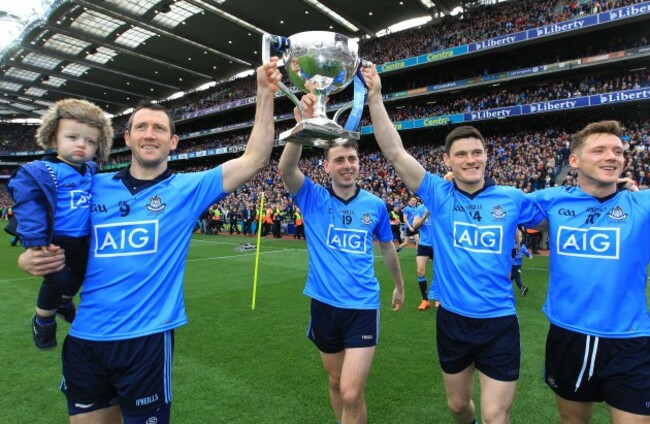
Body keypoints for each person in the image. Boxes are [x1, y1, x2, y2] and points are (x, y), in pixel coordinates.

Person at [16, 58, 282, 424]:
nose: (149, 134)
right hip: (86, 337)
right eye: (141, 126)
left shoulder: (188, 189)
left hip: (146, 341)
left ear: (172, 140)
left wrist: (264, 94)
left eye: (159, 128)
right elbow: (51, 232)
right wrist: (28, 259)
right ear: (127, 138)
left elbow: (254, 159)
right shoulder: (90, 184)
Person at [364, 65, 544, 424]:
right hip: (453, 320)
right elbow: (396, 153)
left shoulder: (512, 198)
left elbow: (556, 215)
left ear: (486, 156)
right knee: (459, 407)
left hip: (499, 322)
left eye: (476, 152)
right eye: (461, 154)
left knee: (497, 416)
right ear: (447, 160)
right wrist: (375, 97)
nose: (470, 159)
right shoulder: (438, 193)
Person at [278, 94, 405, 424]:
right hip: (323, 305)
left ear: (359, 162)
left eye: (352, 158)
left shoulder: (375, 205)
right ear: (327, 165)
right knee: (336, 383)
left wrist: (399, 286)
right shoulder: (312, 197)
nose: (347, 165)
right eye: (339, 160)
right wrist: (301, 127)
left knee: (351, 390)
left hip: (362, 306)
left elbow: (387, 247)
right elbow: (286, 168)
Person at [528, 120, 650, 423]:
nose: (612, 156)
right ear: (574, 161)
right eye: (599, 150)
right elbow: (492, 205)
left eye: (618, 151)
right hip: (569, 335)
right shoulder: (552, 201)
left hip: (629, 340)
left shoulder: (642, 204)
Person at [7, 98, 114, 350]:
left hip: (81, 239)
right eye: (72, 137)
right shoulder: (42, 170)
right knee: (57, 280)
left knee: (79, 275)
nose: (81, 145)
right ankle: (43, 320)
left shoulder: (89, 170)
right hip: (53, 239)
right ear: (54, 139)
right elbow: (29, 206)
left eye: (90, 141)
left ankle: (65, 303)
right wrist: (35, 242)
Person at [412, 204, 438, 310]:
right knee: (420, 271)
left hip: (438, 245)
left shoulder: (440, 205)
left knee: (439, 272)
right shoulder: (421, 208)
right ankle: (425, 300)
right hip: (424, 244)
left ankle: (438, 298)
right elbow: (415, 225)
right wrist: (425, 216)